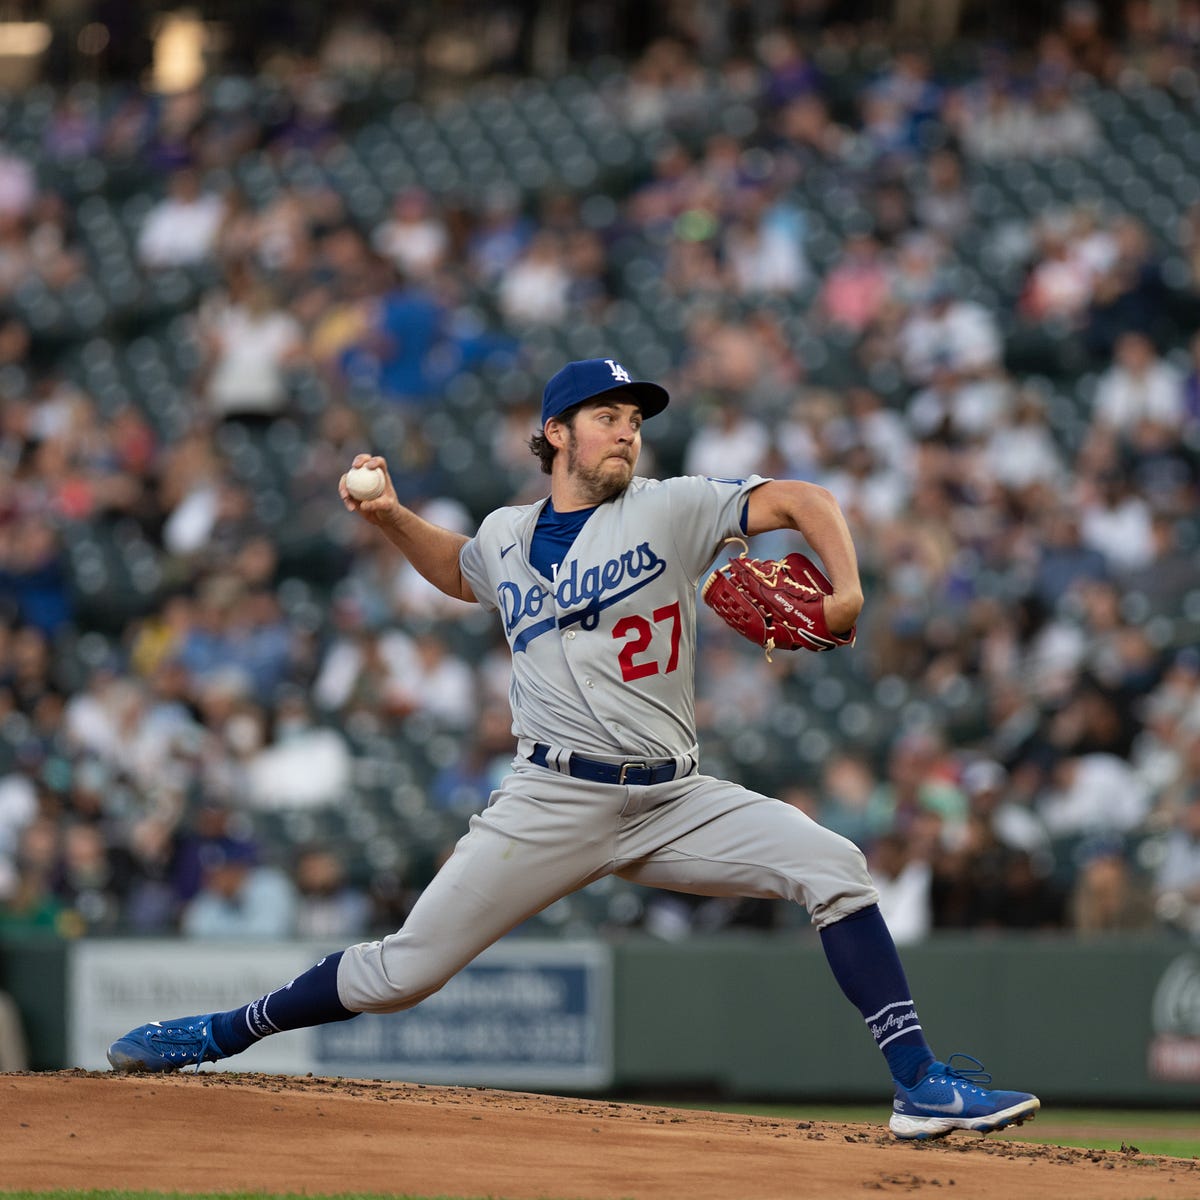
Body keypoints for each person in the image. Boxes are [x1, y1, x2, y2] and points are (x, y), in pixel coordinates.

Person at [106, 357, 1039, 1140]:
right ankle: (218, 1034)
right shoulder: (509, 536)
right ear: (556, 432)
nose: (627, 431)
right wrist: (389, 514)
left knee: (834, 865)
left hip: (675, 799)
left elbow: (803, 497)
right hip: (551, 802)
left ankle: (919, 1085)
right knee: (401, 975)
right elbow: (459, 572)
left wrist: (847, 590)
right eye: (607, 416)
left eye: (634, 418)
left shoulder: (671, 508)